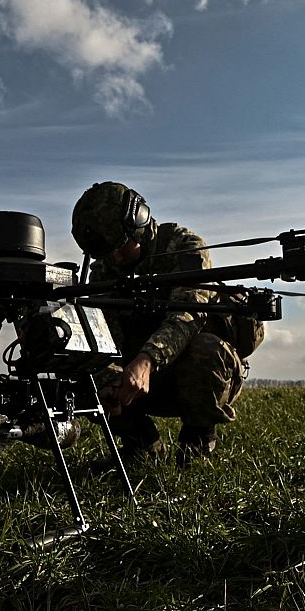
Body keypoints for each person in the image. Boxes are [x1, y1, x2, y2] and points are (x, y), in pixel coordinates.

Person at [70, 181, 247, 466]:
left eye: (121, 247)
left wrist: (146, 361)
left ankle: (196, 447)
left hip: (190, 375)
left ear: (138, 224)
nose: (115, 258)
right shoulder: (104, 270)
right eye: (107, 253)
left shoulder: (185, 246)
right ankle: (141, 445)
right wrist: (109, 376)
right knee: (85, 364)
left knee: (206, 349)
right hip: (136, 380)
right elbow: (105, 334)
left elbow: (187, 318)